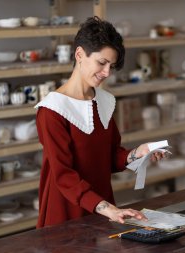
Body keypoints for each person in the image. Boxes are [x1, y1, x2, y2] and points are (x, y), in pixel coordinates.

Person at [35, 16, 165, 228]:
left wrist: (137, 153)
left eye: (111, 66)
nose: (106, 73)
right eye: (101, 63)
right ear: (79, 54)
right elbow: (64, 176)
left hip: (102, 209)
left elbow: (110, 157)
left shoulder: (103, 102)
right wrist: (109, 209)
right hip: (66, 213)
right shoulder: (52, 111)